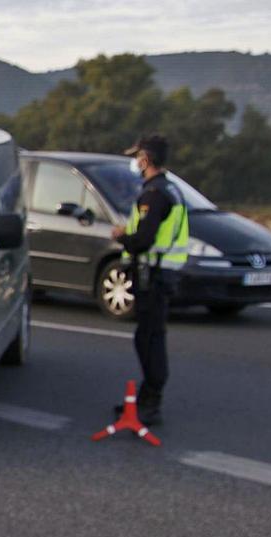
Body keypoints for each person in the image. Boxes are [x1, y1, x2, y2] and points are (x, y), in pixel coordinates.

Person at [111, 134, 188, 426]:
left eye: (137, 156)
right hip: (159, 273)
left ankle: (150, 402)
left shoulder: (154, 194)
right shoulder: (169, 189)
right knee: (149, 336)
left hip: (153, 276)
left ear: (146, 159)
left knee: (150, 339)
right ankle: (145, 399)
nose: (135, 162)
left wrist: (122, 237)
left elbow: (144, 239)